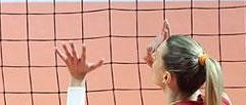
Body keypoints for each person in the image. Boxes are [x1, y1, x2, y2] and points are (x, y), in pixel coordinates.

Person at [55, 20, 231, 105]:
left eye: (157, 56)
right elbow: (190, 79)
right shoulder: (221, 101)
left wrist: (77, 80)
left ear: (167, 77)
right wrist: (170, 60)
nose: (152, 57)